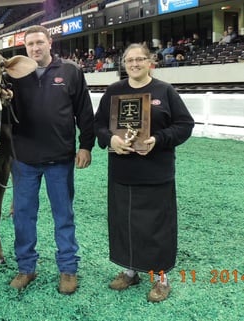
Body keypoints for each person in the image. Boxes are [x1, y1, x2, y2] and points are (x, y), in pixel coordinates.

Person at [94, 43, 194, 303]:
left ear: (151, 61)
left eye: (140, 59)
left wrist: (159, 139)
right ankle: (130, 271)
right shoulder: (114, 92)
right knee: (123, 223)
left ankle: (161, 278)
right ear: (124, 64)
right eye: (129, 60)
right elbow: (99, 125)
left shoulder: (164, 91)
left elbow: (185, 125)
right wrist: (110, 140)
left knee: (157, 227)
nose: (134, 64)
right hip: (122, 171)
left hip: (156, 173)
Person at [5, 25, 95, 295]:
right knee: (23, 216)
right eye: (30, 44)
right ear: (25, 48)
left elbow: (84, 111)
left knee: (63, 215)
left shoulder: (70, 72)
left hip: (60, 158)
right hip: (24, 159)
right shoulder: (13, 76)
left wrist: (86, 146)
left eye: (39, 42)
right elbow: (2, 116)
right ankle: (26, 268)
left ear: (49, 42)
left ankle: (68, 269)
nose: (35, 48)